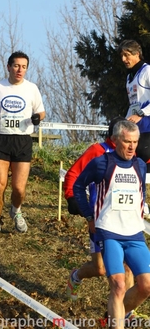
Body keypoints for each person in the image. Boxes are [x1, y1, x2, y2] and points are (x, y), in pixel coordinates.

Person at [73, 120, 150, 329]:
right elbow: (78, 186)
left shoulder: (140, 165)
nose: (132, 147)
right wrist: (89, 217)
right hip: (109, 233)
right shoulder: (102, 163)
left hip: (134, 234)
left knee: (146, 285)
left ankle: (115, 316)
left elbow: (139, 194)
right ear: (116, 140)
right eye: (127, 142)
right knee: (118, 285)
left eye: (135, 142)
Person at [0, 51, 46, 240]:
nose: (20, 70)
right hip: (1, 140)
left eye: (23, 67)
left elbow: (41, 111)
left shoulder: (32, 88)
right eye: (16, 66)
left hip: (22, 141)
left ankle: (16, 211)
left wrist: (36, 118)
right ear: (8, 67)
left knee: (19, 189)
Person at [65, 116, 135, 302]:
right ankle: (76, 276)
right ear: (114, 136)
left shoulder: (130, 153)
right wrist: (71, 197)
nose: (129, 143)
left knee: (128, 266)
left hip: (125, 220)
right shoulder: (97, 151)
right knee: (100, 269)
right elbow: (73, 173)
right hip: (100, 219)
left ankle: (126, 312)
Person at [117, 40, 150, 173]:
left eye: (127, 55)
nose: (124, 59)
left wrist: (141, 114)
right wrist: (125, 122)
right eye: (122, 56)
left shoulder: (147, 71)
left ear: (137, 54)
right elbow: (133, 105)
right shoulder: (129, 77)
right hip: (137, 128)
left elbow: (139, 110)